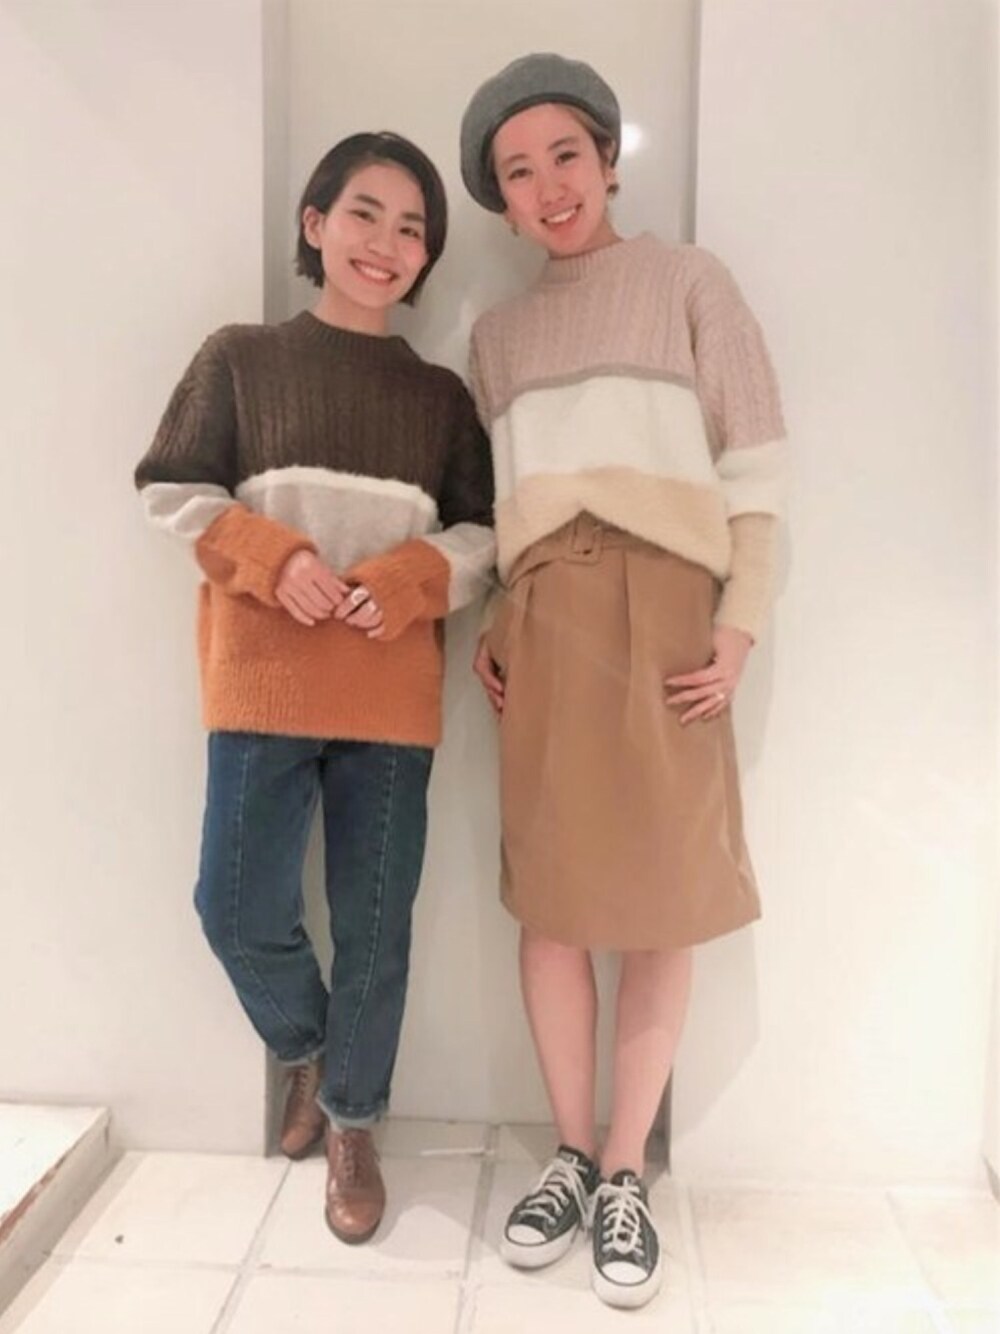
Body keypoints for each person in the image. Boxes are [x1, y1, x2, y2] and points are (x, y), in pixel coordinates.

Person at [459, 54, 786, 1309]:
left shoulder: (690, 281)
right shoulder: (498, 337)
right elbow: (504, 506)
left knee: (658, 905)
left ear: (606, 156)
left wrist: (737, 626)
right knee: (551, 904)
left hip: (667, 616)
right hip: (545, 616)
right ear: (500, 200)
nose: (546, 186)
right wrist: (499, 615)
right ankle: (569, 1152)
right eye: (515, 171)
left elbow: (757, 473)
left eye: (563, 155)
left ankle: (625, 1170)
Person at [134, 132, 494, 1245]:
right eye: (366, 214)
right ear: (315, 222)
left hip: (388, 693)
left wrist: (415, 576)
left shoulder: (438, 397)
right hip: (262, 679)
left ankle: (351, 1121)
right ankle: (310, 1048)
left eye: (413, 228)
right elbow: (170, 486)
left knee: (376, 929)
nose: (387, 243)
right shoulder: (239, 359)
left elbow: (484, 532)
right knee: (234, 907)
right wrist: (270, 554)